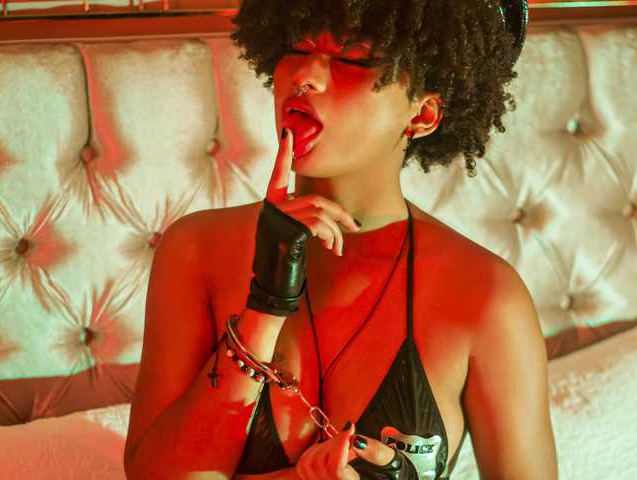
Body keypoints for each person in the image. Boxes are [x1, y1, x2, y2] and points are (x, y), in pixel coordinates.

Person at [124, 1, 558, 479]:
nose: (305, 76)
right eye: (297, 49)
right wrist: (266, 305)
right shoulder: (196, 249)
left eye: (353, 59)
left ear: (423, 114)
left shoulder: (488, 296)